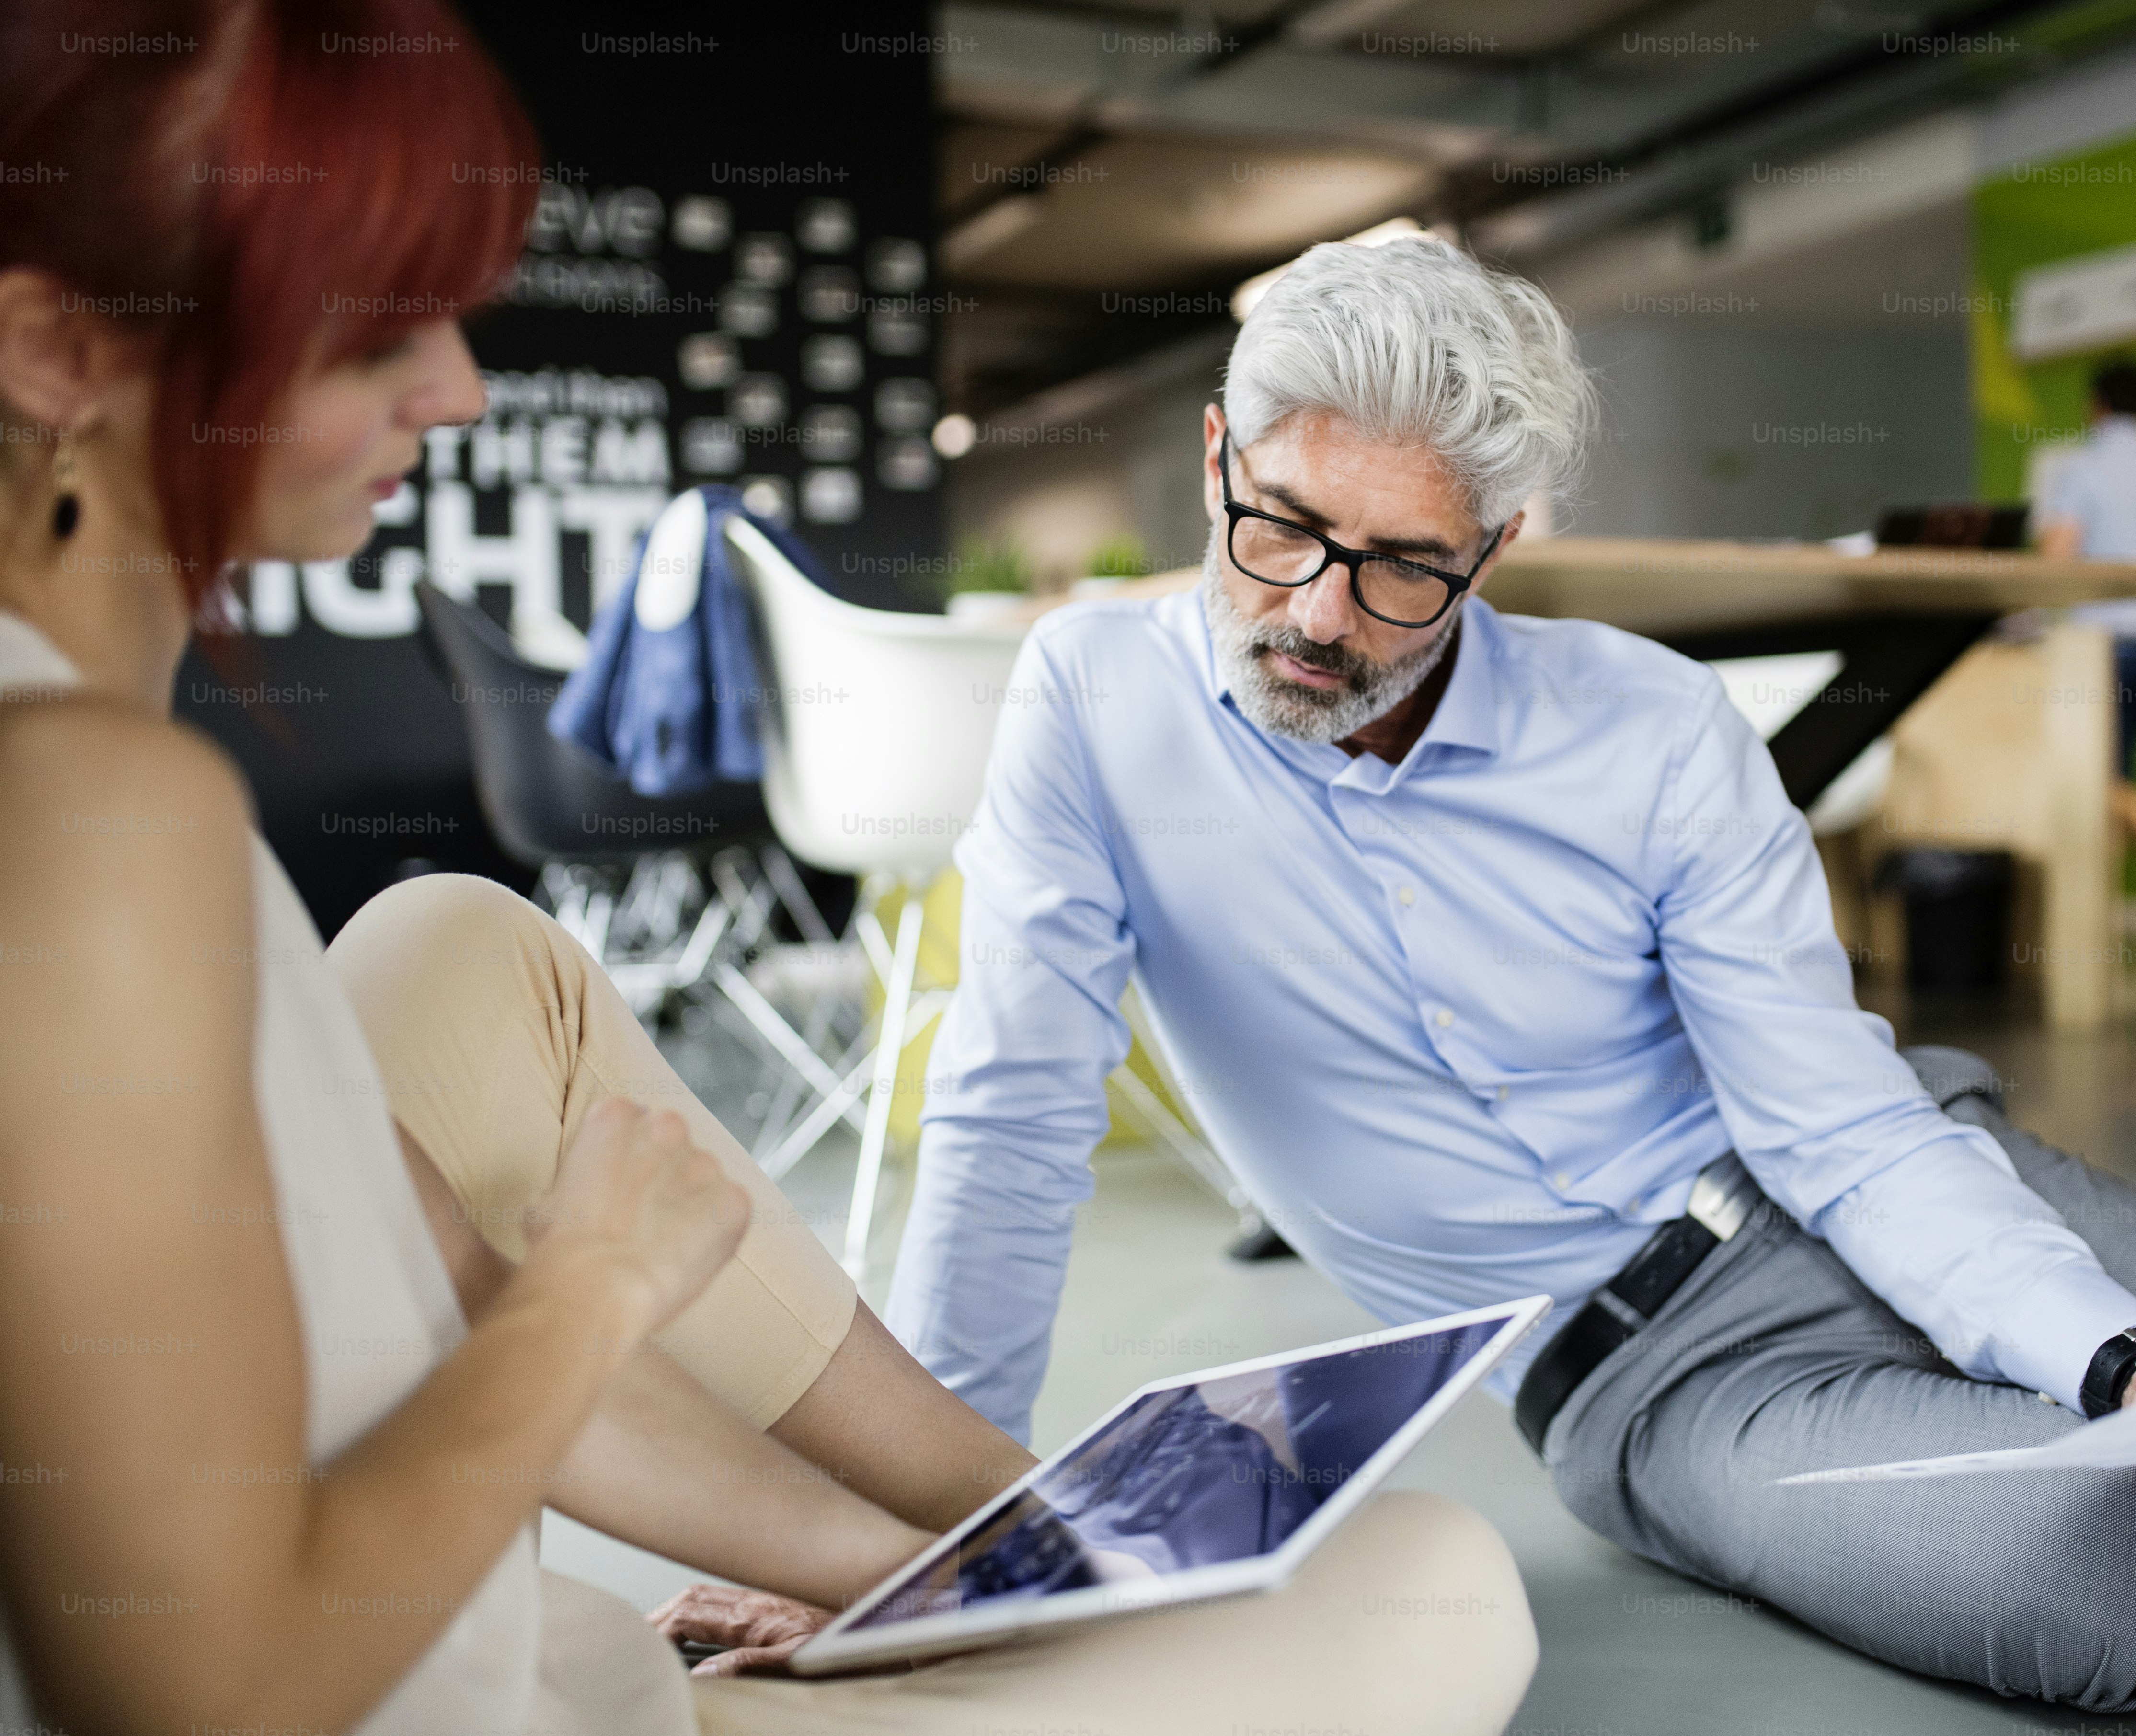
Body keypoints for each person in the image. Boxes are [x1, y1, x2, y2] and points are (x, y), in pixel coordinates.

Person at [0, 6, 1537, 1734]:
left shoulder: (90, 773)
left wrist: (896, 1574)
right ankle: (1035, 1559)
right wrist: (600, 1288)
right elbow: (188, 1691)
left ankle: (1023, 1523)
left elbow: (441, 1279)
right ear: (56, 348)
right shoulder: (86, 816)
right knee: (1438, 1583)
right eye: (368, 333)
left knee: (454, 940)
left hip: (456, 1589)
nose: (454, 386)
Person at [888, 234, 2136, 1714]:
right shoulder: (1092, 700)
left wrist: (2126, 1363)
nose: (1324, 613)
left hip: (1876, 1193)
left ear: (1497, 545)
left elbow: (1843, 1125)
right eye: (1283, 527)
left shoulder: (1649, 726)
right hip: (1660, 1391)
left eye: (1406, 565)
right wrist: (924, 1533)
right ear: (1216, 459)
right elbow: (1013, 1112)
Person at [2034, 354, 2136, 865]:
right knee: (2114, 767)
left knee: (2093, 772)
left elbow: (2059, 550)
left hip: (2101, 641)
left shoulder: (2085, 467)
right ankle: (2110, 902)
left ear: (2094, 404)